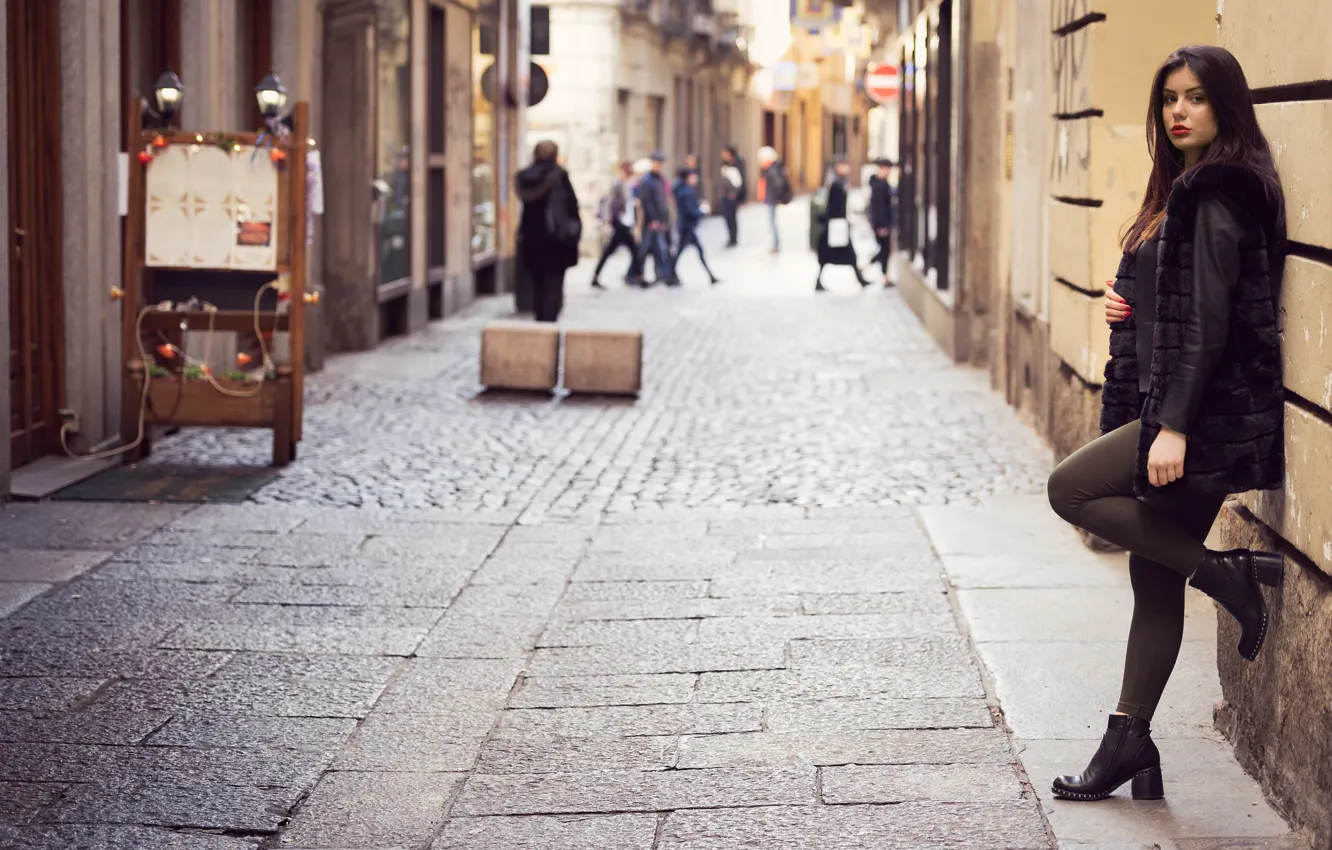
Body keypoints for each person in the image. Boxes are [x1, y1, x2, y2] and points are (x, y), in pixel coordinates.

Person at [1045, 45, 1287, 803]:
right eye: (1168, 99)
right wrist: (1130, 304)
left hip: (1199, 416)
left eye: (1197, 98)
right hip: (1168, 402)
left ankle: (1227, 574)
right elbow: (1178, 301)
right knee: (1154, 580)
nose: (1178, 111)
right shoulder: (1179, 188)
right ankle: (1130, 744)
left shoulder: (1219, 190)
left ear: (1226, 107)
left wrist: (1175, 428)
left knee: (1071, 490)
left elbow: (1213, 323)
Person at [515, 140, 581, 322]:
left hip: (531, 237)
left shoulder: (523, 177)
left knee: (537, 282)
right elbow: (571, 206)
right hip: (556, 239)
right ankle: (549, 319)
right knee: (554, 283)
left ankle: (540, 316)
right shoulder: (559, 175)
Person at [815, 159, 871, 291]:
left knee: (846, 256)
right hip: (836, 226)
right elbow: (833, 207)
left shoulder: (840, 183)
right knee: (841, 255)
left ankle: (860, 279)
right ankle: (860, 279)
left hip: (837, 225)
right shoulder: (836, 185)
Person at [591, 161, 642, 289]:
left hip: (625, 222)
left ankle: (595, 277)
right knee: (634, 250)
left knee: (610, 251)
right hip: (620, 223)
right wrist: (608, 222)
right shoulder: (618, 185)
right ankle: (640, 277)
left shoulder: (628, 185)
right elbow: (609, 203)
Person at [631, 152, 675, 287]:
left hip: (659, 220)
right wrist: (652, 219)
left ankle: (661, 274)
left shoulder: (659, 180)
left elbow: (662, 201)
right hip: (650, 222)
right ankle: (638, 275)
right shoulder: (646, 181)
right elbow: (646, 202)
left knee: (658, 249)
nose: (659, 166)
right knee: (644, 249)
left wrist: (664, 219)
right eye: (657, 163)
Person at [671, 169, 719, 285]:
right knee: (681, 252)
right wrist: (702, 211)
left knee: (683, 252)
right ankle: (669, 274)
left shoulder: (686, 191)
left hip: (687, 227)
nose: (696, 179)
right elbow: (690, 211)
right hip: (687, 227)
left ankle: (711, 276)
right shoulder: (686, 192)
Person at [864, 158, 898, 286]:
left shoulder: (881, 183)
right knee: (884, 249)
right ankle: (883, 276)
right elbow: (878, 208)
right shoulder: (879, 186)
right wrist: (881, 225)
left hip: (883, 222)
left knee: (884, 249)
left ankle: (870, 268)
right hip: (881, 223)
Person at [756, 146, 791, 253]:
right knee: (772, 221)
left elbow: (777, 183)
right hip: (770, 198)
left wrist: (776, 196)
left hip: (772, 198)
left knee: (772, 222)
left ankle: (775, 244)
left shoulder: (771, 168)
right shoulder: (769, 168)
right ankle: (775, 244)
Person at [720, 146, 746, 247]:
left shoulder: (737, 164)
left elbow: (740, 181)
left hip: (733, 195)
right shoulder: (725, 164)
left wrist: (736, 193)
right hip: (725, 194)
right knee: (727, 217)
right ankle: (731, 237)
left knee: (732, 216)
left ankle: (733, 238)